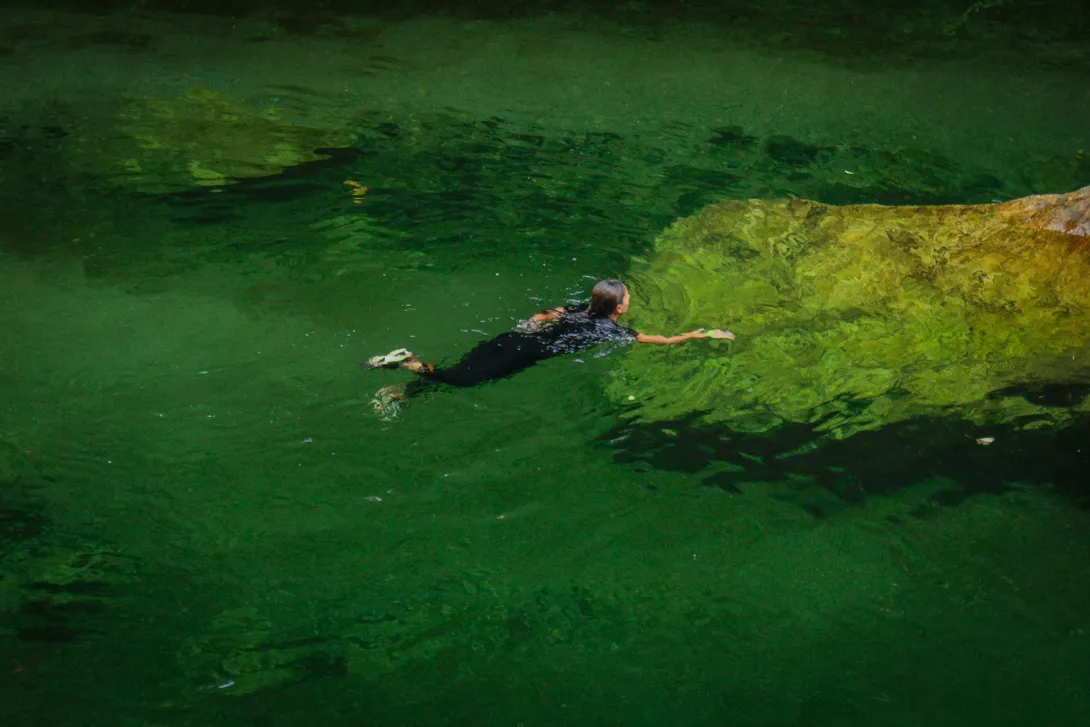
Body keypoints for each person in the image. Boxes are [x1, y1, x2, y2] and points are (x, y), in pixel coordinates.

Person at [363, 279, 733, 417]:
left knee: (462, 368)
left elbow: (543, 314)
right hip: (526, 354)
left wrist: (526, 326)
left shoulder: (574, 309)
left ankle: (400, 394)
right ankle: (408, 362)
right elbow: (664, 341)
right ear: (619, 309)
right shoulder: (613, 333)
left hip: (513, 338)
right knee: (463, 381)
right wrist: (701, 334)